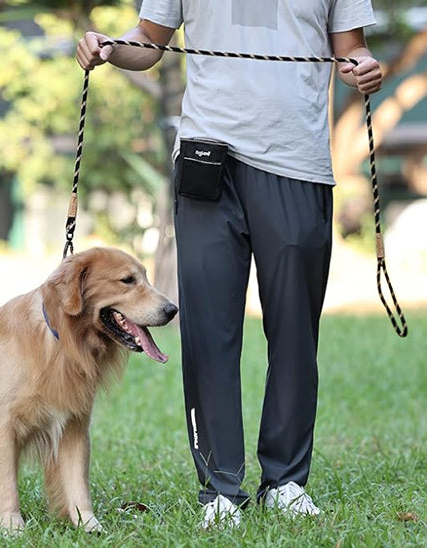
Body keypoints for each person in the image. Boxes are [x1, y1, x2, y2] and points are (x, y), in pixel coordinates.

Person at [77, 0, 382, 528]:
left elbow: (350, 47)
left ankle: (285, 482)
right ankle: (219, 489)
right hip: (206, 157)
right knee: (208, 332)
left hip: (297, 162)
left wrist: (363, 66)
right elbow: (147, 41)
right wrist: (106, 47)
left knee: (293, 329)